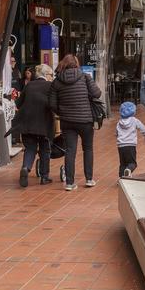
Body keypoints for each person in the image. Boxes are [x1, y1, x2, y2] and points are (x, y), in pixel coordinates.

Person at [49, 54, 102, 191]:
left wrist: (62, 113)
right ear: (76, 64)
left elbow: (52, 104)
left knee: (70, 150)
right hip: (85, 120)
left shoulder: (56, 81)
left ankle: (69, 183)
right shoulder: (85, 77)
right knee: (88, 148)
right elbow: (97, 94)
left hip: (67, 121)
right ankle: (89, 179)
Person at [14, 64, 54, 187]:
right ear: (46, 75)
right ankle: (44, 176)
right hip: (44, 124)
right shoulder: (50, 86)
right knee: (44, 149)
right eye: (51, 75)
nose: (52, 77)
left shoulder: (29, 85)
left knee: (30, 148)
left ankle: (26, 167)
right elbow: (54, 104)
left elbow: (18, 103)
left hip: (26, 123)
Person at [116, 101, 145, 178]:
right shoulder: (134, 120)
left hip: (121, 146)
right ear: (133, 111)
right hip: (130, 145)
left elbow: (117, 132)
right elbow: (143, 128)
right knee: (132, 163)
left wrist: (117, 136)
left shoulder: (119, 122)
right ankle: (128, 170)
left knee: (122, 163)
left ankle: (121, 178)